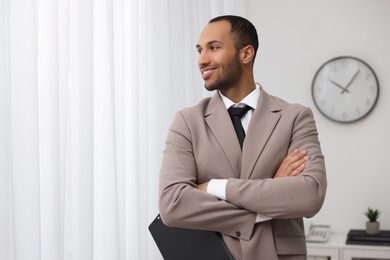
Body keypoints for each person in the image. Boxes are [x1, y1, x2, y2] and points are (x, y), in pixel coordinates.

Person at [158, 15, 327, 260]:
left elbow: (310, 196)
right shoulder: (187, 121)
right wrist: (273, 193)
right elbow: (172, 205)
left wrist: (215, 186)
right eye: (199, 50)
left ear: (246, 54)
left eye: (214, 48)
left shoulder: (295, 117)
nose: (202, 60)